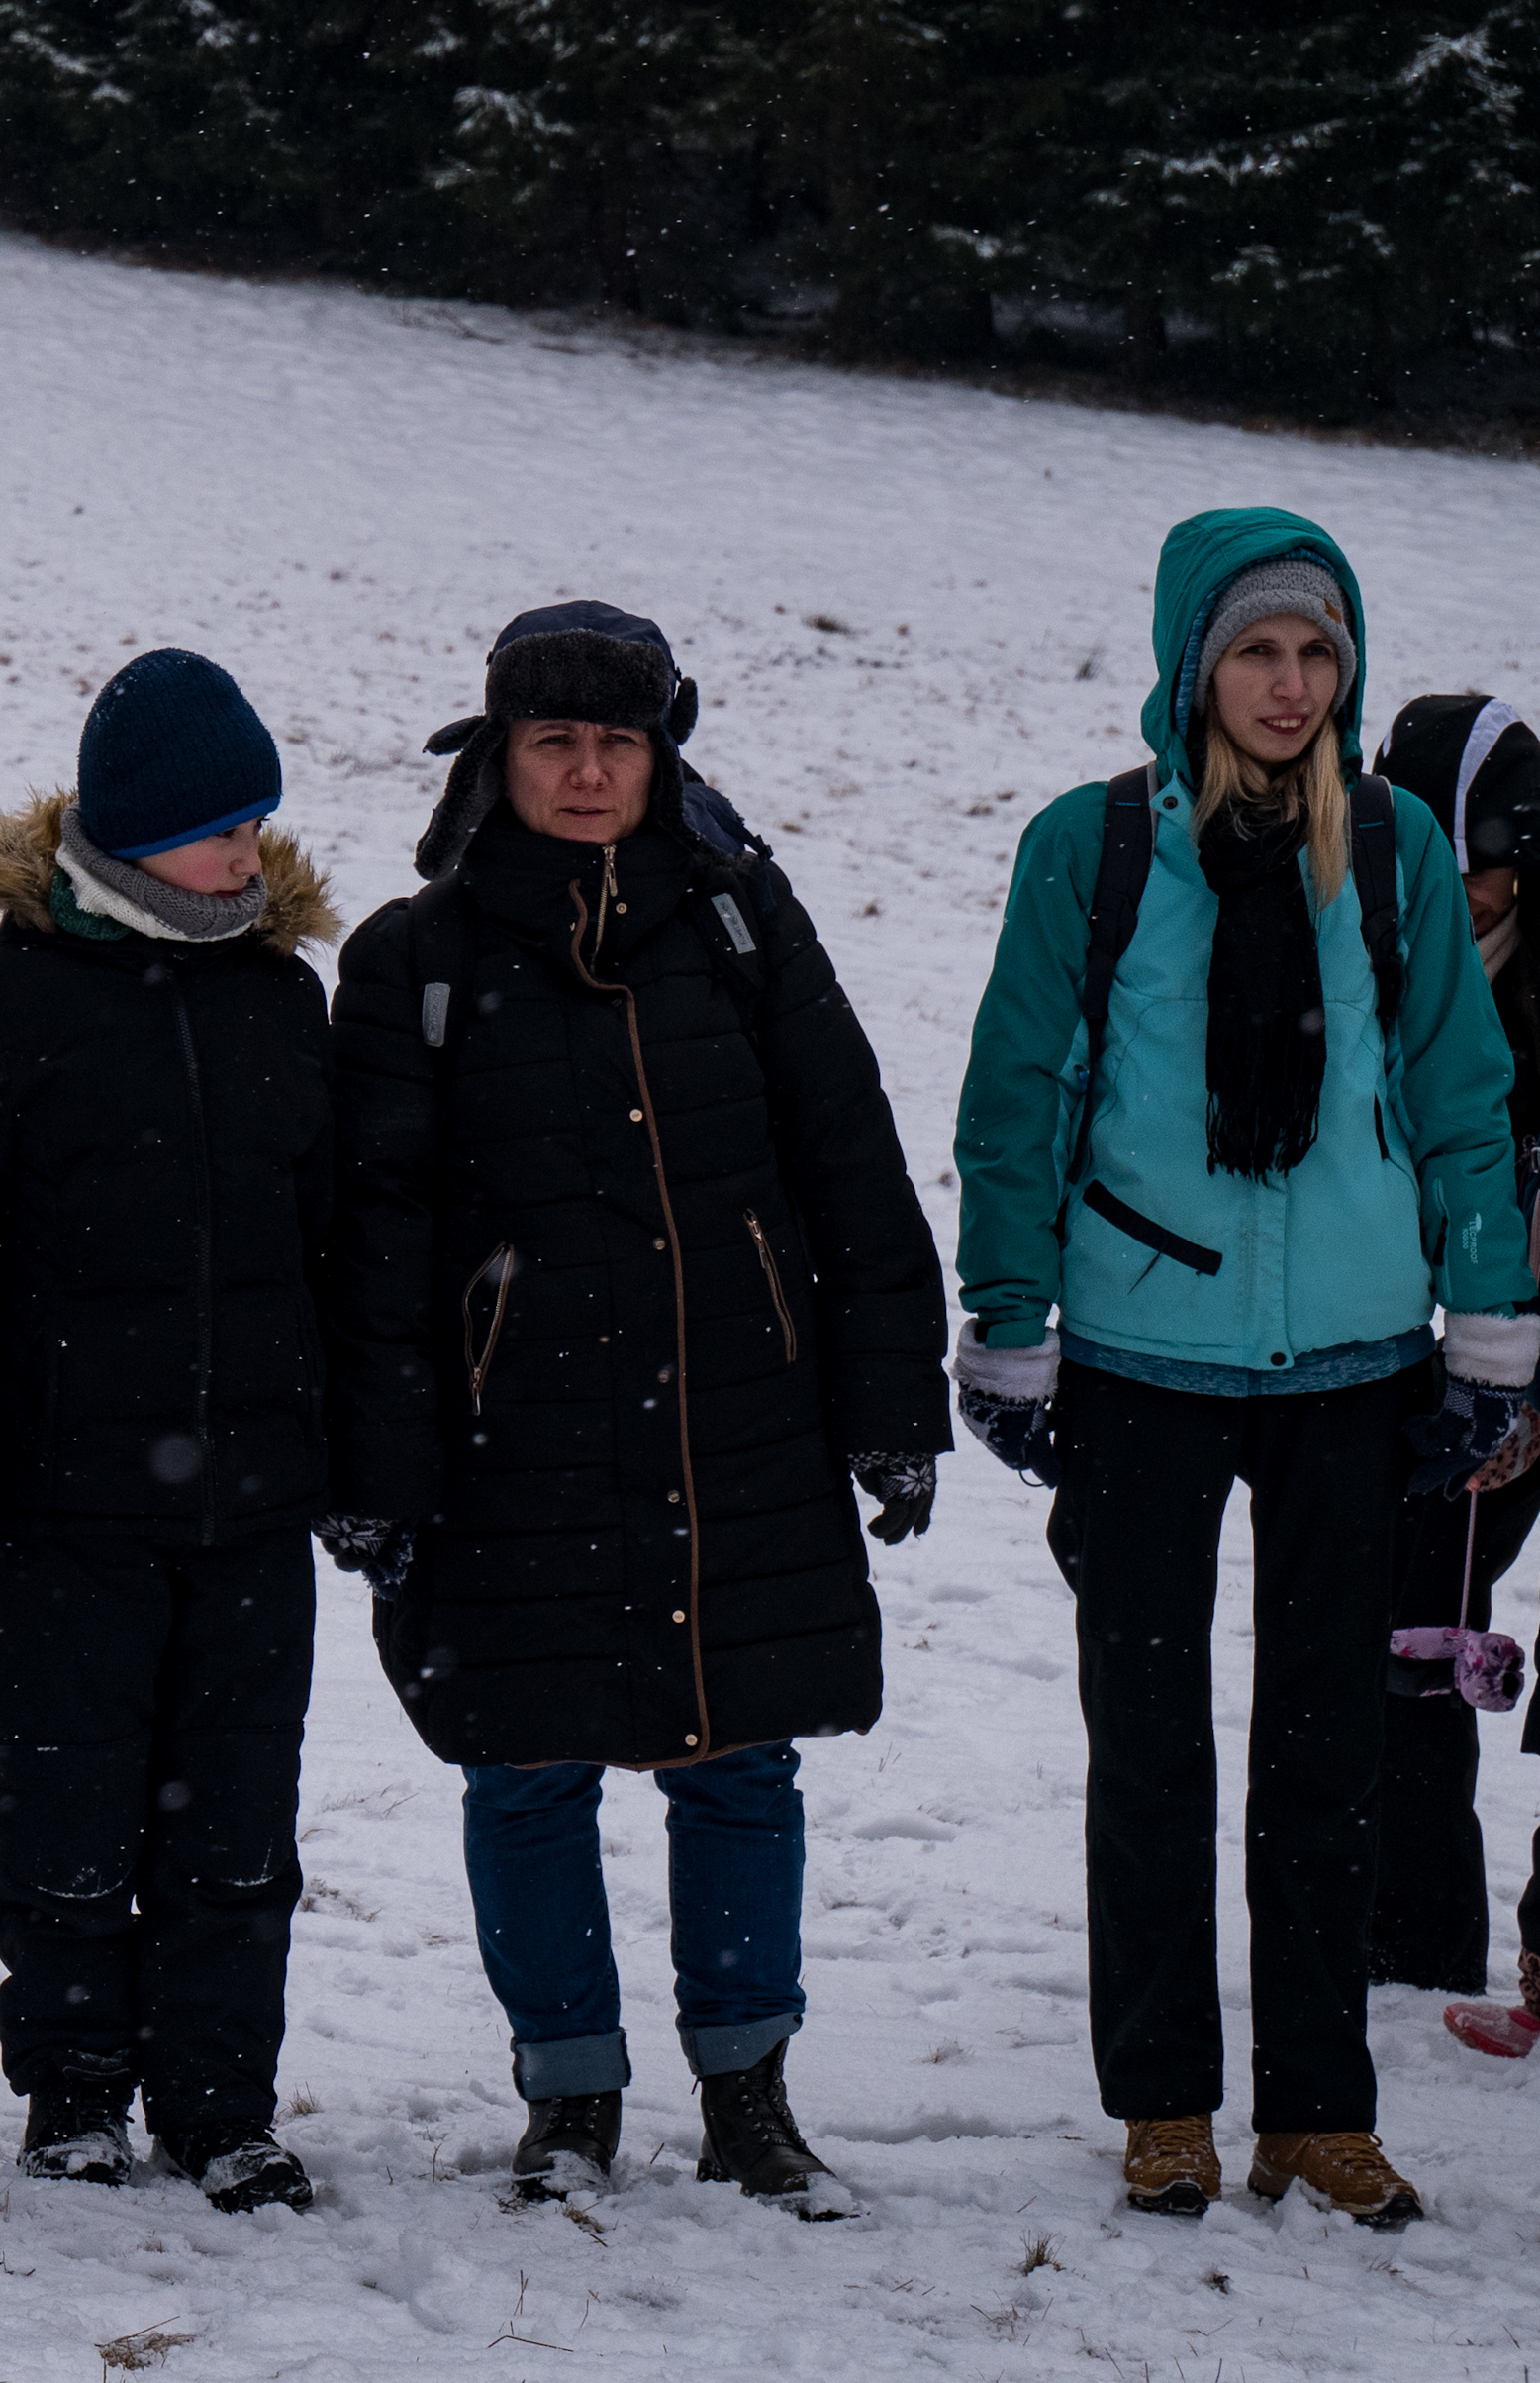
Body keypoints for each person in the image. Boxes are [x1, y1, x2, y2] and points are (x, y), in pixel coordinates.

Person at [326, 600, 944, 2222]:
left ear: (663, 755)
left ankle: (748, 2091)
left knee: (738, 1756)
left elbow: (850, 1156)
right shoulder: (416, 956)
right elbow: (374, 1235)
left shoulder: (739, 920)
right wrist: (377, 1462)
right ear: (500, 756)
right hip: (509, 1439)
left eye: (619, 741)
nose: (589, 771)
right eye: (556, 741)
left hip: (736, 1415)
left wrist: (893, 1397)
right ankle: (570, 2093)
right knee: (525, 1767)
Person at [952, 513, 1536, 2227]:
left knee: (1329, 1751)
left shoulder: (1398, 847)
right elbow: (1017, 1096)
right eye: (1258, 652)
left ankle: (1319, 2111)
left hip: (1356, 1364)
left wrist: (1491, 1323)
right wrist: (1012, 1321)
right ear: (1192, 663)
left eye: (1319, 652)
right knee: (1146, 1746)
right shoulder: (1096, 847)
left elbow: (1463, 1101)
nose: (1291, 686)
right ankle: (1164, 2103)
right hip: (1143, 1359)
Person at [0, 651, 340, 2214]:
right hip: (68, 1502)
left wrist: (344, 1447)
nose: (249, 851)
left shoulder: (280, 998)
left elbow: (332, 1242)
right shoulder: (1, 1007)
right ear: (126, 834)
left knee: (239, 1812)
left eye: (255, 821)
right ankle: (73, 2088)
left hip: (253, 1497)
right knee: (66, 1802)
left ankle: (220, 2098)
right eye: (219, 826)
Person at [1359, 698, 1540, 2003]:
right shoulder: (1353, 948)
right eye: (1454, 855)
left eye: (1500, 861)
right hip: (1386, 1346)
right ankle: (1406, 1945)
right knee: (1402, 1633)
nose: (1481, 886)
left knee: (1436, 1622)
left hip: (1516, 1352)